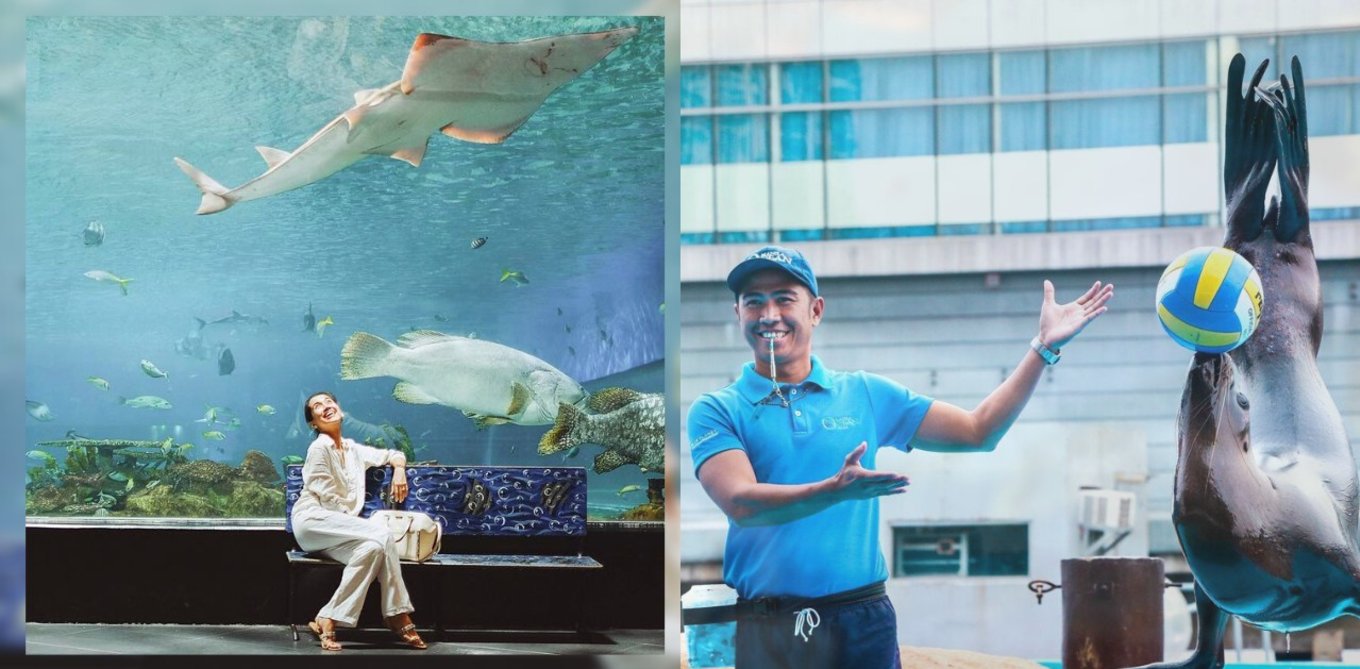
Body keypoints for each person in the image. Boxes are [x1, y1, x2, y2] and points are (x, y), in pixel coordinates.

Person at [688, 246, 1114, 668]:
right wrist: (833, 491)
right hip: (767, 627)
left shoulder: (865, 394)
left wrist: (1042, 348)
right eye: (753, 302)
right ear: (738, 313)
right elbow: (741, 504)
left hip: (861, 620)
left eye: (784, 298)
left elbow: (978, 431)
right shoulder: (717, 409)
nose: (769, 315)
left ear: (815, 310)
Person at [291, 391, 427, 651]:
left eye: (329, 401)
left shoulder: (354, 450)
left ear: (340, 410)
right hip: (312, 520)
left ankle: (328, 617)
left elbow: (392, 454)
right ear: (314, 423)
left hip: (336, 529)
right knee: (382, 534)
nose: (325, 407)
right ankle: (398, 614)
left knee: (372, 549)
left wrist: (399, 470)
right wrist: (360, 527)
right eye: (317, 407)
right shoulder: (318, 448)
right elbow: (328, 498)